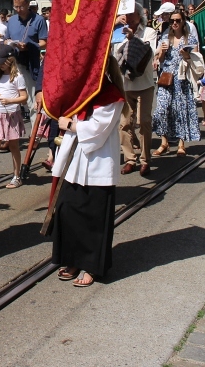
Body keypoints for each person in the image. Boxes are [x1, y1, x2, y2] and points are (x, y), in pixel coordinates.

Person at [50, 64, 125, 288]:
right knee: (68, 210)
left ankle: (91, 265)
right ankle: (72, 259)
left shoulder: (112, 95)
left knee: (93, 217)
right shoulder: (80, 92)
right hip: (74, 161)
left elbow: (98, 130)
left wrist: (71, 125)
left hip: (98, 162)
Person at [152, 11, 203, 157]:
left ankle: (181, 144)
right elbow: (161, 60)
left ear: (183, 22)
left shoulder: (190, 38)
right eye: (172, 21)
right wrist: (162, 52)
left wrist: (186, 55)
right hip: (166, 77)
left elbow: (195, 59)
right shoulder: (165, 37)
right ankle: (164, 142)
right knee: (161, 110)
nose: (174, 23)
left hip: (182, 78)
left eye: (178, 20)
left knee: (180, 110)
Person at [115, 3, 158, 176]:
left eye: (133, 14)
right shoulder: (118, 32)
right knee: (125, 123)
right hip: (125, 85)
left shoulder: (149, 32)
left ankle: (145, 159)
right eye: (126, 14)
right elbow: (114, 56)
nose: (129, 18)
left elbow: (149, 53)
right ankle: (130, 159)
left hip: (145, 84)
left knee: (144, 121)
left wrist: (133, 39)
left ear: (140, 16)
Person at [0, 45, 28, 188]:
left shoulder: (18, 77)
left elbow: (24, 97)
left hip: (12, 116)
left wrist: (10, 101)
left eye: (1, 62)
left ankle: (17, 176)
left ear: (9, 60)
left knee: (13, 146)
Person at [5, 0, 48, 114]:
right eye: (16, 7)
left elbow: (44, 43)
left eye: (21, 7)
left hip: (30, 64)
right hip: (12, 63)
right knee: (12, 95)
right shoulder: (12, 20)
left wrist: (29, 46)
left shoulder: (39, 20)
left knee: (32, 97)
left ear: (28, 4)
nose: (18, 10)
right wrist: (9, 43)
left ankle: (36, 124)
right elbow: (6, 39)